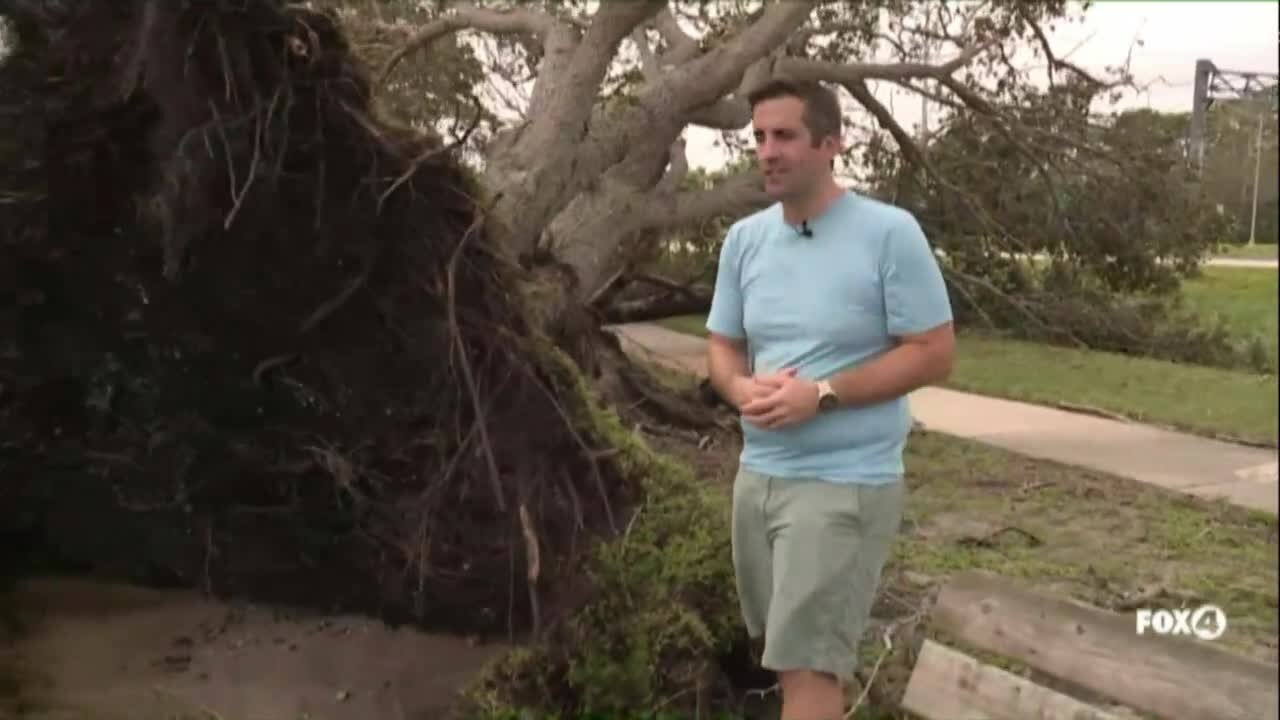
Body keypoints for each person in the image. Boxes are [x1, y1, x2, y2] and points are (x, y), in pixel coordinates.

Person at [705, 78, 955, 720]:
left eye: (784, 135)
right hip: (758, 479)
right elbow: (723, 346)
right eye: (758, 137)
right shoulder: (745, 241)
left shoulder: (888, 234)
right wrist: (737, 387)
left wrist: (823, 394)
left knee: (812, 672)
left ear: (832, 143)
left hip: (844, 485)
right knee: (784, 662)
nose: (766, 150)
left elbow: (933, 351)